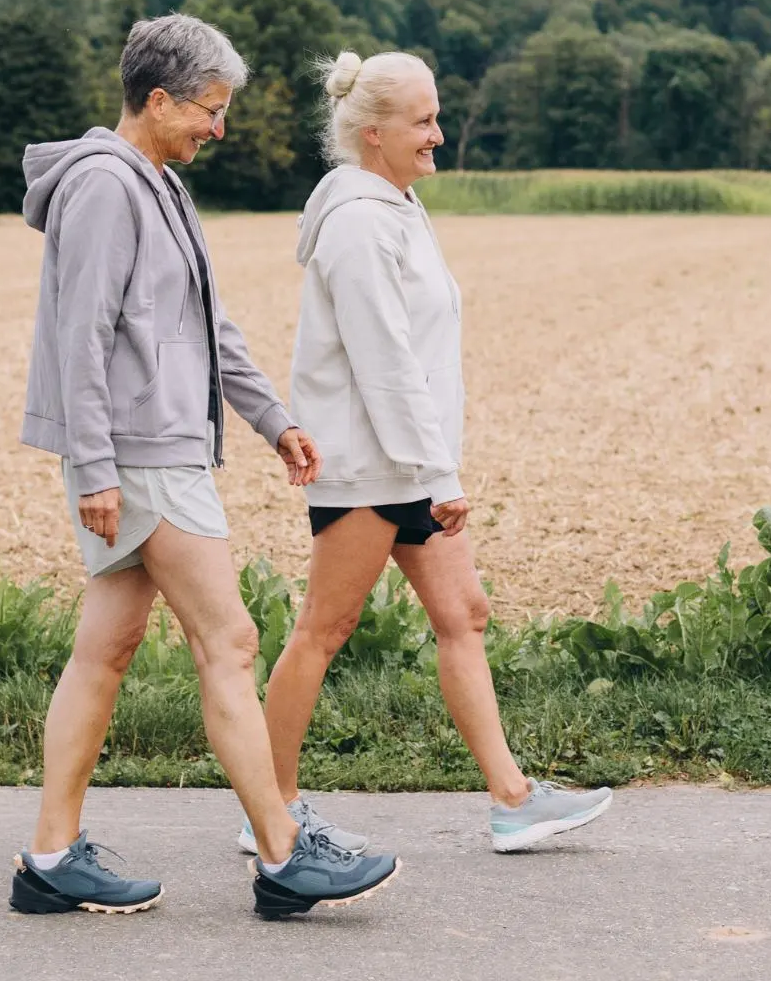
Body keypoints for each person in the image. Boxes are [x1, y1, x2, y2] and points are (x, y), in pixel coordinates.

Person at [10, 17, 399, 919]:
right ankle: (284, 853)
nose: (218, 128)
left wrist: (273, 419)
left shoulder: (162, 186)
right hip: (142, 456)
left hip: (153, 450)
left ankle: (50, 858)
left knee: (103, 652)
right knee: (228, 642)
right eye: (209, 110)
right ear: (156, 99)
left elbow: (210, 327)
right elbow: (84, 338)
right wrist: (98, 468)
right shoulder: (109, 187)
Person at [236, 49, 612, 857]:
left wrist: (436, 464)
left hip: (410, 462)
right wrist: (439, 472)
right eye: (425, 120)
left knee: (463, 615)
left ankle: (513, 800)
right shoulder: (362, 224)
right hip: (376, 466)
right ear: (374, 133)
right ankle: (270, 809)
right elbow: (384, 361)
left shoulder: (398, 206)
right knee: (324, 631)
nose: (438, 133)